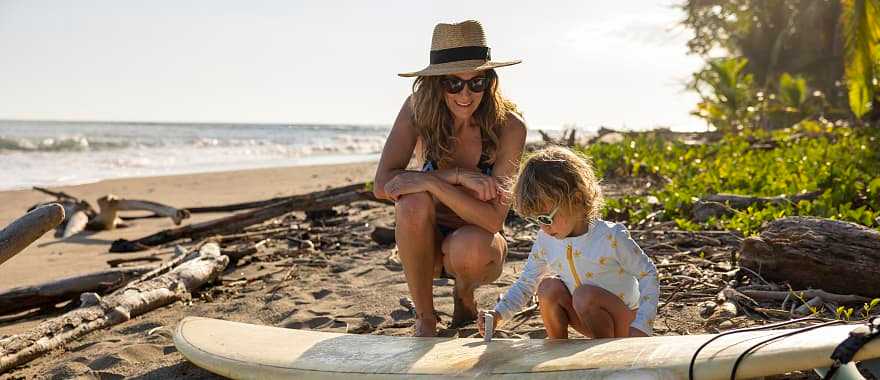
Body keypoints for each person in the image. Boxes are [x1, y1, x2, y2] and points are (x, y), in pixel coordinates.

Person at [372, 20, 527, 337]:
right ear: (435, 83)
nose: (466, 94)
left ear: (490, 81)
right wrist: (454, 177)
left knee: (470, 245)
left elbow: (493, 220)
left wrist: (432, 182)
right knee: (411, 203)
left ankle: (464, 296)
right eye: (453, 84)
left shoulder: (509, 127)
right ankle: (426, 318)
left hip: (476, 249)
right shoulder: (418, 111)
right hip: (423, 246)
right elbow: (382, 185)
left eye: (476, 82)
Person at [478, 146, 659, 339]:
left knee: (584, 295)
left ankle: (604, 353)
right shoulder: (546, 239)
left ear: (577, 199)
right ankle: (557, 345)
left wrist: (641, 326)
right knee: (548, 288)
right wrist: (497, 315)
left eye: (546, 218)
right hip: (585, 316)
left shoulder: (610, 237)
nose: (543, 227)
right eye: (535, 220)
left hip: (624, 324)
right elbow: (526, 283)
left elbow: (648, 274)